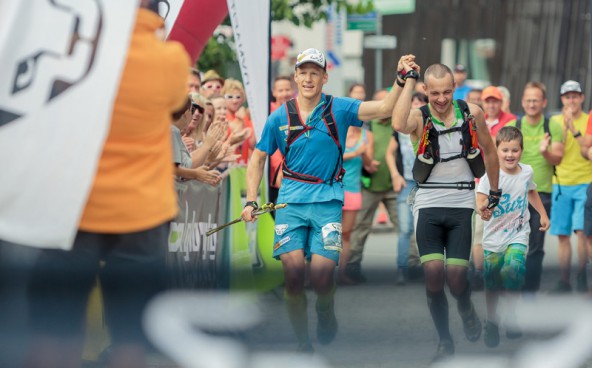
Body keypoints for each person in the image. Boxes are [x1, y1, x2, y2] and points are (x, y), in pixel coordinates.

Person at [25, 3, 190, 367]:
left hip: (72, 207)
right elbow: (177, 104)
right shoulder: (171, 59)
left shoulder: (71, 49)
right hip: (142, 213)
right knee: (131, 335)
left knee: (54, 328)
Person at [241, 48, 411, 352]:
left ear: (324, 77)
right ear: (295, 76)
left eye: (314, 72)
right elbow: (256, 160)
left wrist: (400, 79)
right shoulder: (279, 116)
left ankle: (325, 307)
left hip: (328, 203)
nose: (308, 78)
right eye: (303, 72)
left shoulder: (340, 108)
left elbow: (384, 108)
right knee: (293, 277)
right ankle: (303, 342)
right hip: (290, 204)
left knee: (321, 278)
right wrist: (251, 200)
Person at [392, 61, 500, 361]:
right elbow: (398, 124)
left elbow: (490, 151)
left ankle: (465, 305)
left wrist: (494, 190)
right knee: (434, 275)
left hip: (461, 202)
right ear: (425, 90)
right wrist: (406, 80)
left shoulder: (471, 112)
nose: (441, 99)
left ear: (455, 88)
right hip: (427, 203)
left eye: (447, 92)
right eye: (435, 93)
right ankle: (444, 341)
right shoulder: (418, 117)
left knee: (456, 278)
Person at [477, 126, 549, 347]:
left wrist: (542, 214)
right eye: (505, 150)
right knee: (493, 284)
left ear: (522, 151)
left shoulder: (526, 172)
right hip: (493, 238)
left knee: (513, 272)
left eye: (515, 150)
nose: (510, 155)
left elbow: (531, 191)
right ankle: (492, 321)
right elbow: (480, 200)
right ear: (496, 150)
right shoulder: (490, 175)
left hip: (518, 234)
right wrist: (484, 209)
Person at [507, 81, 564, 293]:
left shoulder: (552, 126)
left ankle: (529, 291)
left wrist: (544, 152)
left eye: (536, 100)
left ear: (544, 102)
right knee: (513, 240)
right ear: (522, 102)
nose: (532, 104)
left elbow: (557, 158)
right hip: (515, 192)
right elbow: (504, 155)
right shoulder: (515, 125)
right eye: (528, 100)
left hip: (543, 193)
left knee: (536, 244)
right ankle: (513, 284)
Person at [345, 89, 402, 284]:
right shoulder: (368, 125)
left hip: (395, 187)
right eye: (380, 103)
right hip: (369, 186)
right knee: (359, 228)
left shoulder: (399, 125)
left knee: (405, 229)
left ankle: (410, 268)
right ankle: (351, 267)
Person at [471, 86, 517, 290]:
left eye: (495, 101)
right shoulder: (473, 121)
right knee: (480, 229)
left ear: (501, 103)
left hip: (506, 180)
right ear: (483, 102)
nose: (491, 105)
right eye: (488, 101)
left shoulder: (510, 121)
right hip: (480, 180)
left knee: (504, 226)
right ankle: (479, 273)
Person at [549, 80, 591, 292]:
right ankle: (564, 281)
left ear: (582, 97)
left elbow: (587, 149)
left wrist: (574, 129)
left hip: (585, 182)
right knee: (563, 235)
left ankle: (583, 276)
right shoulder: (555, 121)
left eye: (575, 96)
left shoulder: (588, 119)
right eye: (567, 96)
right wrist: (563, 130)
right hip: (560, 184)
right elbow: (553, 153)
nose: (571, 100)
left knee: (582, 232)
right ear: (562, 99)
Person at [384, 92, 426, 284]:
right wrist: (395, 174)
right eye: (412, 102)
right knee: (405, 228)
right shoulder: (400, 127)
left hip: (427, 183)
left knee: (426, 230)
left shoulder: (430, 125)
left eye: (420, 102)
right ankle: (402, 269)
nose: (416, 105)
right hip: (406, 182)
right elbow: (389, 153)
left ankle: (429, 270)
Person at [269, 76, 295, 207]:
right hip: (272, 178)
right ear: (274, 92)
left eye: (287, 89)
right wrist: (280, 169)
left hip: (295, 177)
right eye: (280, 90)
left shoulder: (297, 112)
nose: (284, 94)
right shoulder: (267, 113)